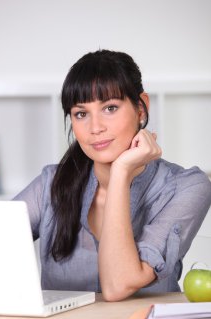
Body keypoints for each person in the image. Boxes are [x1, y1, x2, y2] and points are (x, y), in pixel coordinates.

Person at [14, 49, 211, 301]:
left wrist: (121, 173)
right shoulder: (50, 184)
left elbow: (118, 286)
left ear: (141, 109)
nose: (95, 128)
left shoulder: (186, 187)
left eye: (110, 108)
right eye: (81, 114)